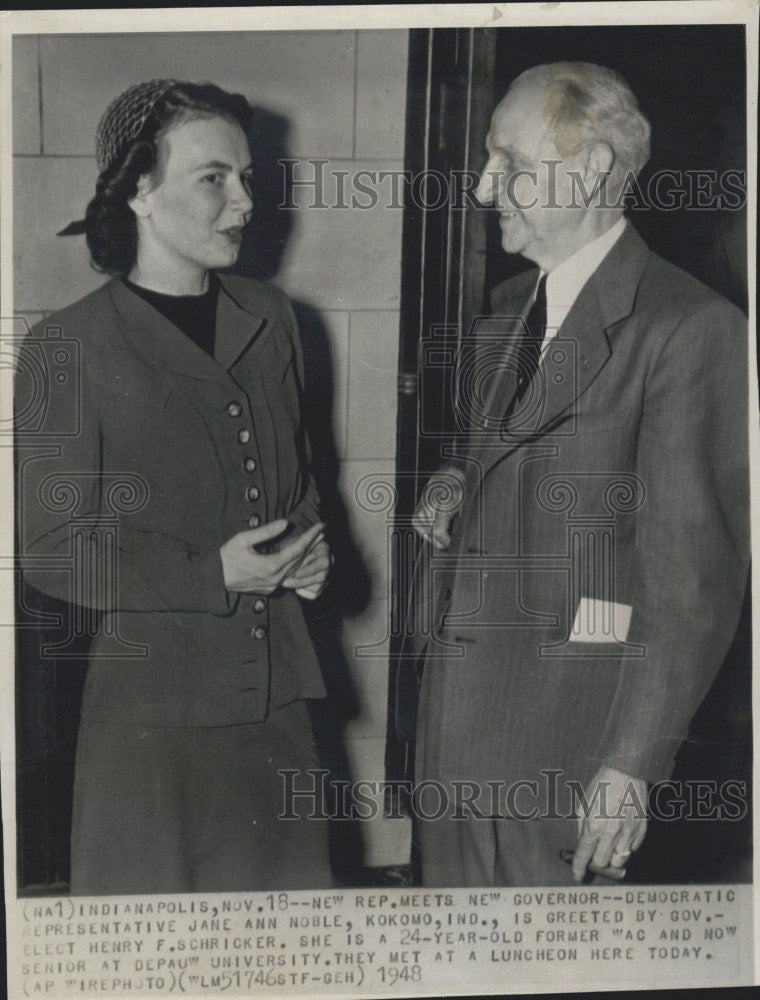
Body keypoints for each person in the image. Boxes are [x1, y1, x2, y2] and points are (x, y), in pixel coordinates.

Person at [411, 62, 749, 887]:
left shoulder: (690, 329)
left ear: (593, 169)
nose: (488, 190)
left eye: (512, 164)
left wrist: (633, 765)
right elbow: (509, 443)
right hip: (453, 749)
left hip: (569, 764)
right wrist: (458, 476)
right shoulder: (508, 312)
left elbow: (692, 583)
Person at [16, 79, 333, 894]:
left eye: (248, 178)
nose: (243, 202)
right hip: (152, 725)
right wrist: (215, 572)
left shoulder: (274, 317)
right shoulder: (67, 346)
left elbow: (298, 483)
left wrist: (307, 549)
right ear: (139, 192)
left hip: (278, 706)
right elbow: (52, 552)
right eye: (213, 178)